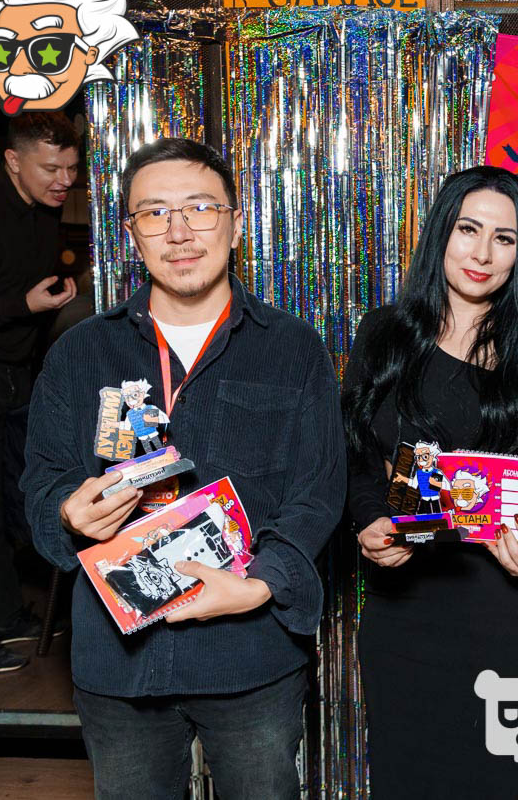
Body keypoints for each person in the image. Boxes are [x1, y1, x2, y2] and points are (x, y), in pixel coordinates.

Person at [21, 137, 344, 799]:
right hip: (120, 665)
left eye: (199, 207)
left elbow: (317, 494)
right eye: (154, 213)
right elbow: (41, 479)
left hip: (250, 658)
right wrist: (66, 512)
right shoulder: (80, 352)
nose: (178, 231)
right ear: (131, 233)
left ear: (235, 222)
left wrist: (263, 585)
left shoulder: (293, 348)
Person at [342, 165, 518, 799]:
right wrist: (369, 521)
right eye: (467, 230)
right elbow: (358, 459)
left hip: (511, 615)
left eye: (503, 239)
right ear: (440, 234)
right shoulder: (385, 335)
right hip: (407, 614)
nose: (482, 253)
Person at [0, 111, 80, 673]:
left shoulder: (42, 207)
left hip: (8, 371)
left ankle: (0, 615)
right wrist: (20, 306)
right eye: (51, 168)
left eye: (71, 168)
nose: (64, 180)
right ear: (13, 160)